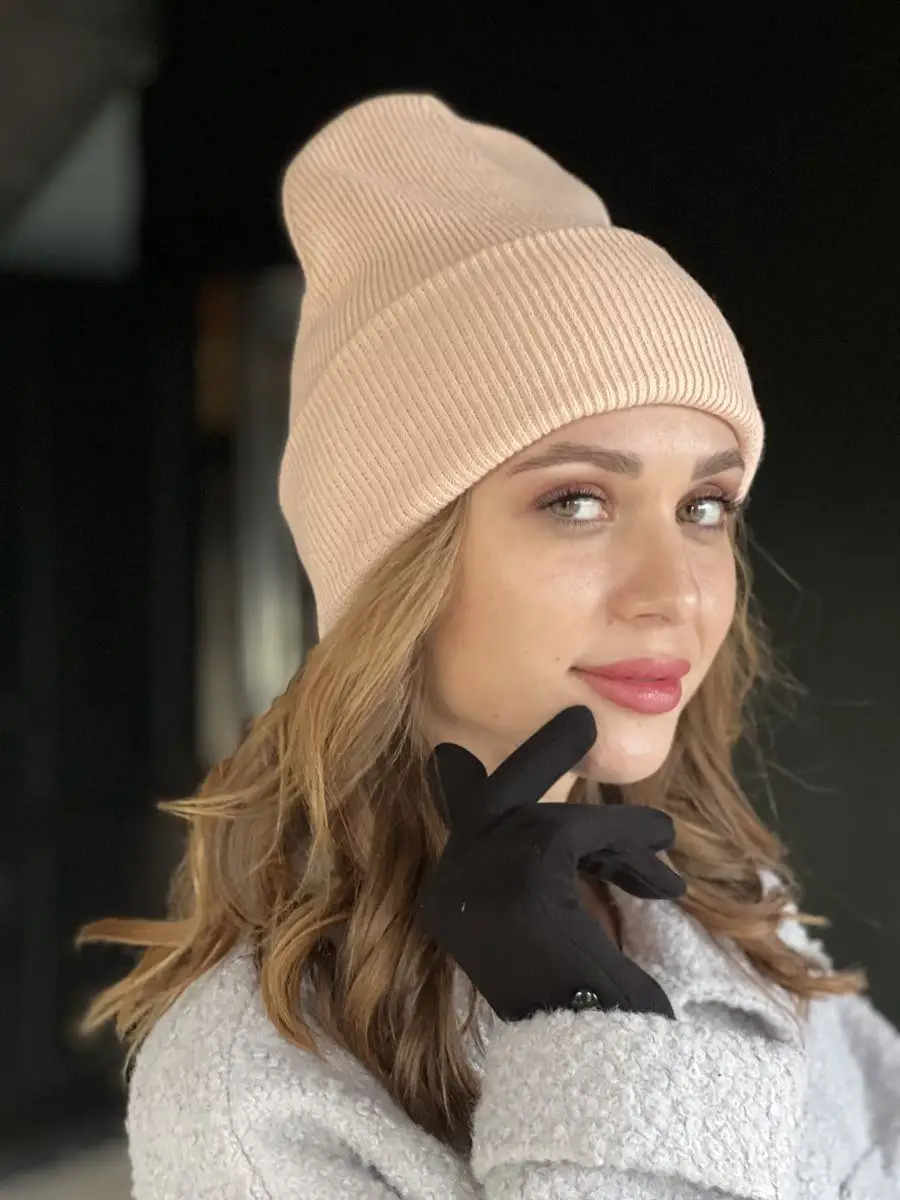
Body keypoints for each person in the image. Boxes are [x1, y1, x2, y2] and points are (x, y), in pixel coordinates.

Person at [76, 93, 900, 1199]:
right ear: (398, 564)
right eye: (576, 501)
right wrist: (584, 1027)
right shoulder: (252, 1083)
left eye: (703, 507)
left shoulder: (727, 905)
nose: (674, 594)